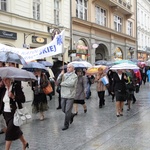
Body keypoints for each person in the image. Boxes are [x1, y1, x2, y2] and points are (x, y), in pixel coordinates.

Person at [0, 78, 28, 150]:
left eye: (6, 80)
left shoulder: (16, 87)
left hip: (14, 113)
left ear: (10, 79)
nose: (4, 81)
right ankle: (24, 143)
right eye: (3, 80)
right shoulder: (3, 89)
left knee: (9, 132)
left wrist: (13, 96)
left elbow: (23, 99)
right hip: (6, 114)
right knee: (15, 129)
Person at [57, 64, 78, 130]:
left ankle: (66, 124)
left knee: (67, 110)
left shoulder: (74, 76)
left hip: (70, 95)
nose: (68, 68)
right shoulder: (64, 75)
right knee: (63, 109)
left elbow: (71, 84)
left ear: (72, 68)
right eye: (67, 67)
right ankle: (71, 115)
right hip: (63, 94)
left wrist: (62, 84)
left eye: (69, 67)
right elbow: (58, 81)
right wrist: (60, 75)